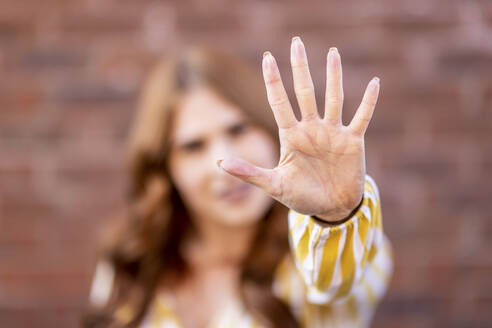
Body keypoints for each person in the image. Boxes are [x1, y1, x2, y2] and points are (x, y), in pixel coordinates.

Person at [84, 36, 393, 328]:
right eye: (193, 146)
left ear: (270, 129)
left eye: (238, 130)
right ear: (166, 168)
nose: (225, 165)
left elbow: (338, 277)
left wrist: (336, 217)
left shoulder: (319, 259)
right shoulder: (133, 261)